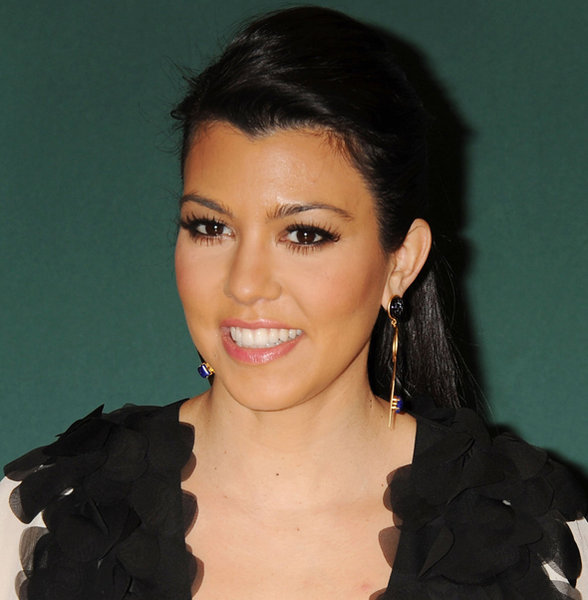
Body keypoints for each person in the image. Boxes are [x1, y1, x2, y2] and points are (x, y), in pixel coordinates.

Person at [1, 6, 586, 600]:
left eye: (304, 235)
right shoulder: (42, 522)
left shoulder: (542, 547)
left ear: (402, 261)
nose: (245, 283)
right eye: (210, 227)